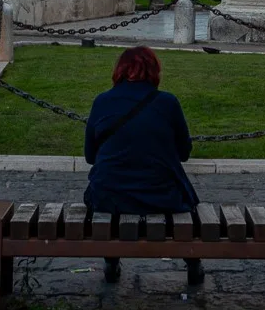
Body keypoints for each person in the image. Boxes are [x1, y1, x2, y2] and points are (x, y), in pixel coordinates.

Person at [83, 47, 200, 286]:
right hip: (161, 195)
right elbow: (184, 153)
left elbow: (90, 155)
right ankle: (193, 261)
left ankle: (112, 259)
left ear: (119, 71)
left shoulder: (102, 101)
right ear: (154, 71)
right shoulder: (167, 103)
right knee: (188, 210)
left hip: (110, 194)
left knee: (108, 198)